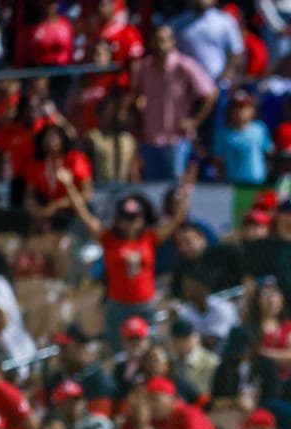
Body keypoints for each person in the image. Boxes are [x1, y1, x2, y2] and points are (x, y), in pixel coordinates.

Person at [59, 180, 193, 349]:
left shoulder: (149, 238)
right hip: (118, 305)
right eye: (126, 219)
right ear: (118, 219)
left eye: (135, 219)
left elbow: (176, 219)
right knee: (116, 348)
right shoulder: (108, 238)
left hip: (145, 304)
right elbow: (83, 214)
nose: (131, 224)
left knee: (151, 347)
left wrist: (186, 193)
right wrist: (70, 186)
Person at [135, 25, 217, 181]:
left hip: (177, 140)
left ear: (172, 42)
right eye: (157, 40)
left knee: (176, 189)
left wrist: (195, 121)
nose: (160, 45)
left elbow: (211, 93)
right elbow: (136, 96)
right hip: (150, 139)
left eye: (164, 40)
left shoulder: (185, 66)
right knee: (152, 188)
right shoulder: (145, 67)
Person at [214, 90, 272, 185]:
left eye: (244, 107)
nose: (240, 111)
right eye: (236, 107)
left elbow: (268, 153)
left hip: (257, 181)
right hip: (232, 183)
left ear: (252, 110)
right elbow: (218, 160)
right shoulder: (223, 134)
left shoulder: (260, 129)